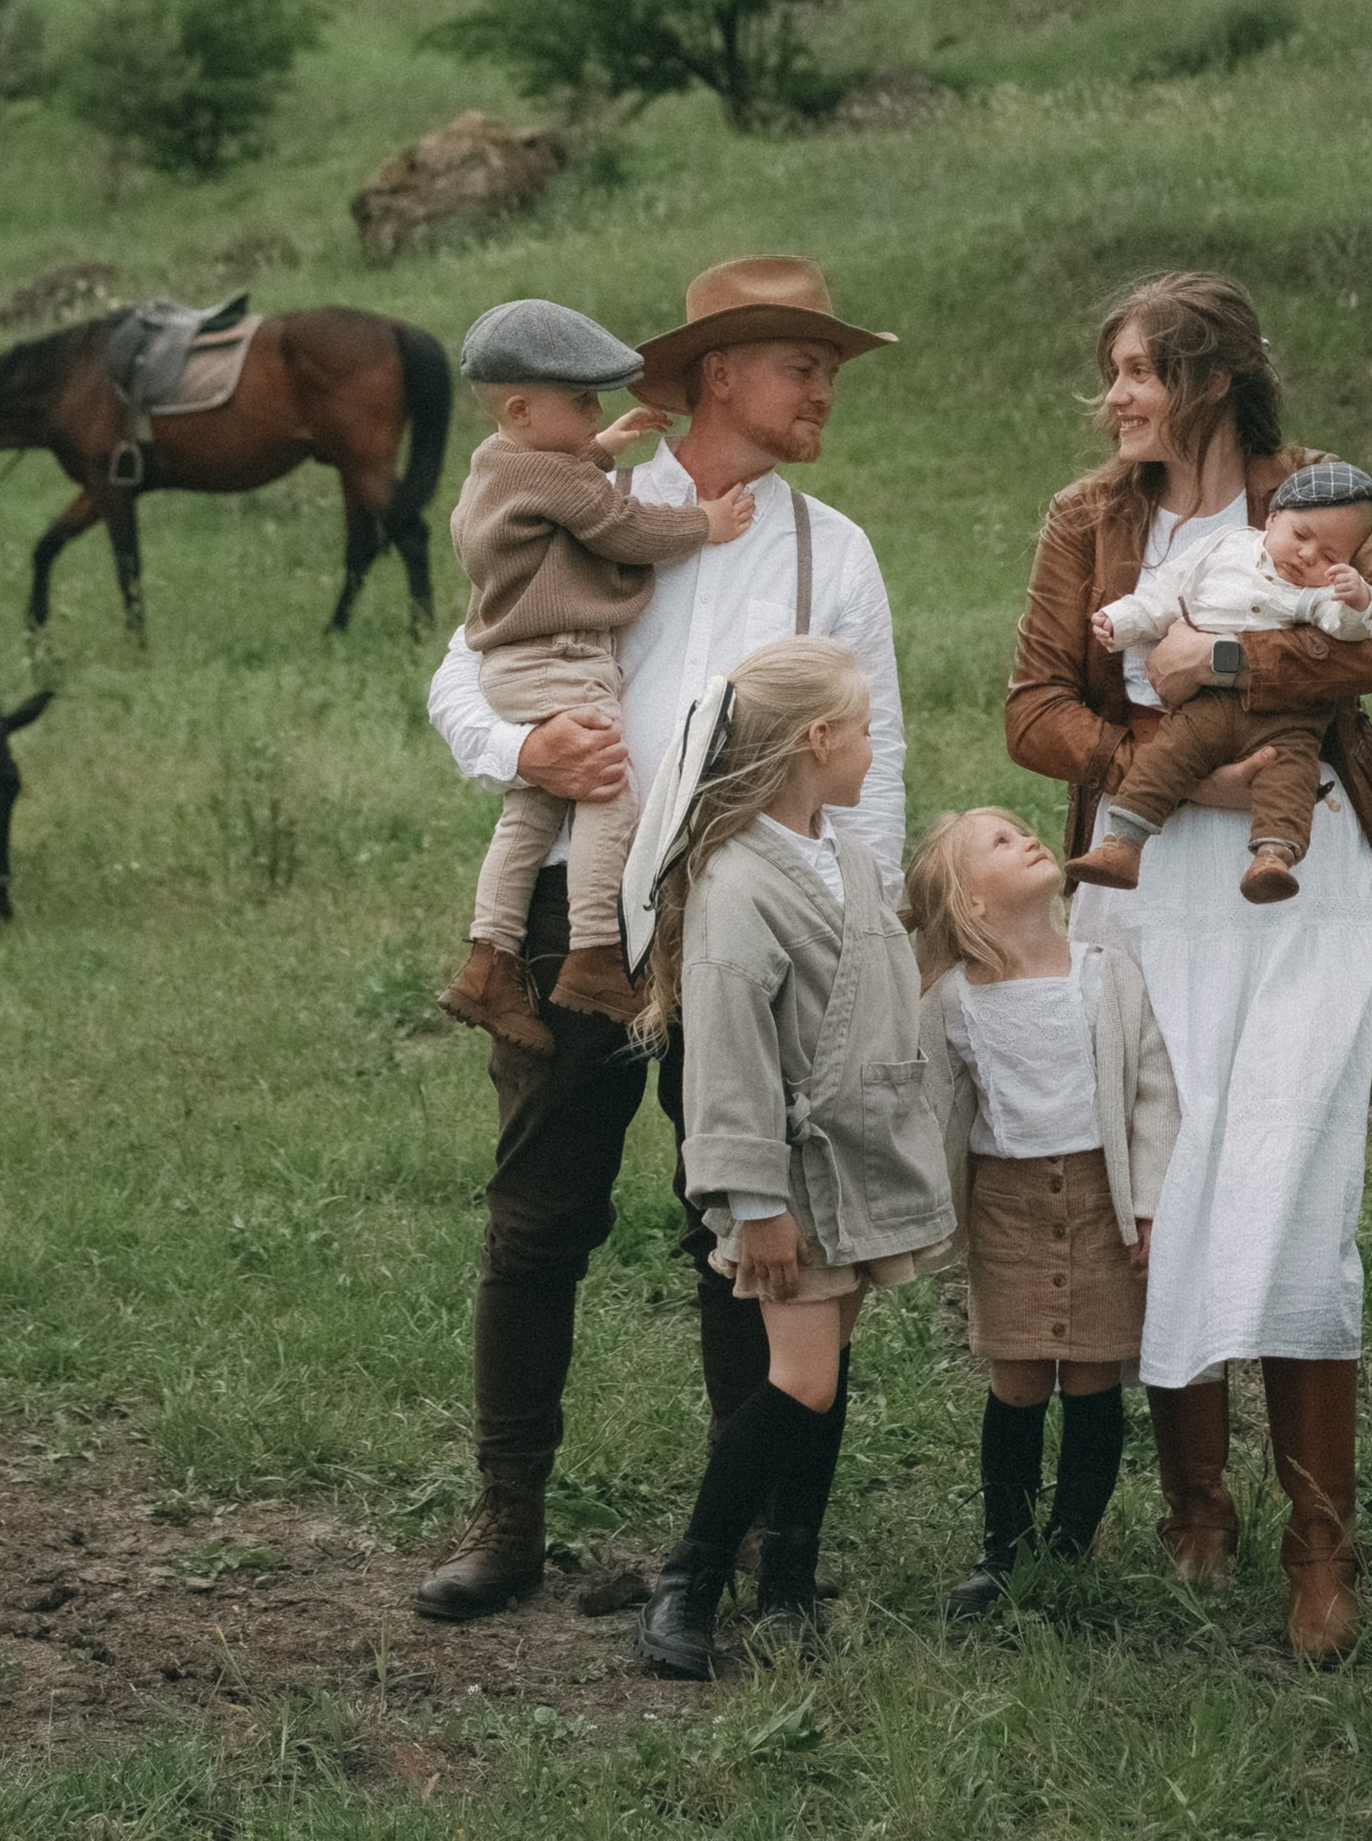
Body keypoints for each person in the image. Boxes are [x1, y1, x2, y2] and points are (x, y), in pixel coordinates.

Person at [417, 256, 908, 1630]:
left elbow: (884, 757)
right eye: (801, 363)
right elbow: (470, 659)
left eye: (827, 367)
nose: (823, 388)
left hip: (745, 931)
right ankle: (508, 1517)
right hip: (573, 901)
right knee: (537, 1222)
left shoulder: (833, 552)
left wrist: (865, 945)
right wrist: (523, 742)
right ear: (716, 375)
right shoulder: (580, 500)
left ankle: (738, 1533)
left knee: (746, 1229)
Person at [1004, 269, 1372, 1662]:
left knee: (1297, 1186)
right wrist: (1166, 776)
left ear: (1215, 377)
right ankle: (1198, 1504)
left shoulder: (1320, 493)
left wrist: (1221, 656)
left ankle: (1321, 1546)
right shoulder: (1089, 516)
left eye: (1139, 369)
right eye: (1111, 368)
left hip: (1302, 890)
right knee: (1164, 1186)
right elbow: (1033, 710)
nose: (1116, 394)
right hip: (1147, 883)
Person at [635, 637, 954, 1678]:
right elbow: (724, 1051)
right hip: (792, 1178)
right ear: (817, 741)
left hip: (857, 1165)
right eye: (864, 730)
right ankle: (689, 1581)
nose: (874, 747)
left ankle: (787, 1587)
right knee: (801, 1378)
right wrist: (752, 1197)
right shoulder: (739, 883)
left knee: (822, 1374)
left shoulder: (848, 861)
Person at [437, 297, 756, 1052]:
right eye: (581, 401)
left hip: (515, 666)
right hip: (561, 658)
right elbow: (619, 526)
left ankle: (488, 959)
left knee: (535, 809)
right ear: (521, 409)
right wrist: (702, 526)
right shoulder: (555, 477)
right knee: (609, 786)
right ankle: (593, 955)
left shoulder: (499, 463)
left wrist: (599, 442)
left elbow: (558, 480)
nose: (594, 410)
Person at [905, 806, 1179, 1621]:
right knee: (1019, 1375)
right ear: (972, 906)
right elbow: (930, 1107)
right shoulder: (951, 1001)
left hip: (1102, 1200)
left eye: (1021, 827)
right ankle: (1004, 1546)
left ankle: (1071, 1539)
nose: (1025, 836)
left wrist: (1150, 1207)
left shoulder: (1108, 973)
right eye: (998, 841)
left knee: (1094, 1374)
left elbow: (1154, 1094)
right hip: (1008, 1209)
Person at [1071, 459, 1372, 903]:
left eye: (1331, 556)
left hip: (1286, 716)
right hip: (1206, 704)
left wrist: (1359, 600)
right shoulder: (1227, 548)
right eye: (1300, 535)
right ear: (1272, 518)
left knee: (1291, 775)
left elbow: (1350, 630)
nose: (1309, 556)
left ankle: (1273, 858)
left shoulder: (1319, 595)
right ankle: (1121, 845)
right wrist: (1122, 621)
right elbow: (1167, 592)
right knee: (1166, 757)